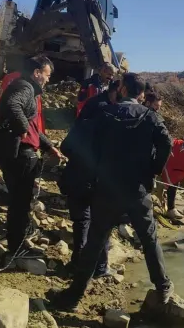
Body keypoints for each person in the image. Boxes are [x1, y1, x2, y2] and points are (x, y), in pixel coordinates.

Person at [48, 73, 174, 310]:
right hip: (137, 190)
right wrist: (153, 170)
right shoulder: (150, 117)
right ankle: (163, 287)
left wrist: (94, 167)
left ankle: (74, 297)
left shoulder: (106, 114)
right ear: (142, 94)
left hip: (106, 189)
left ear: (124, 89)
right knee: (149, 239)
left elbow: (75, 143)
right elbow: (166, 143)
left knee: (95, 241)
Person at [0, 56, 63, 262]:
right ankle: (16, 246)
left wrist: (49, 146)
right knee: (20, 202)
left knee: (18, 200)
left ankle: (16, 238)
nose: (48, 80)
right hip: (19, 154)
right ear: (37, 73)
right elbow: (13, 106)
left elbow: (33, 127)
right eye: (47, 75)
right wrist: (22, 128)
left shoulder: (25, 88)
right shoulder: (25, 88)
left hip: (15, 152)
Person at [59, 79, 121, 278]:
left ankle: (78, 262)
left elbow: (65, 147)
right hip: (98, 182)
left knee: (81, 222)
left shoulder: (82, 125)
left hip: (76, 178)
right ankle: (100, 268)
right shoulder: (112, 130)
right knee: (101, 224)